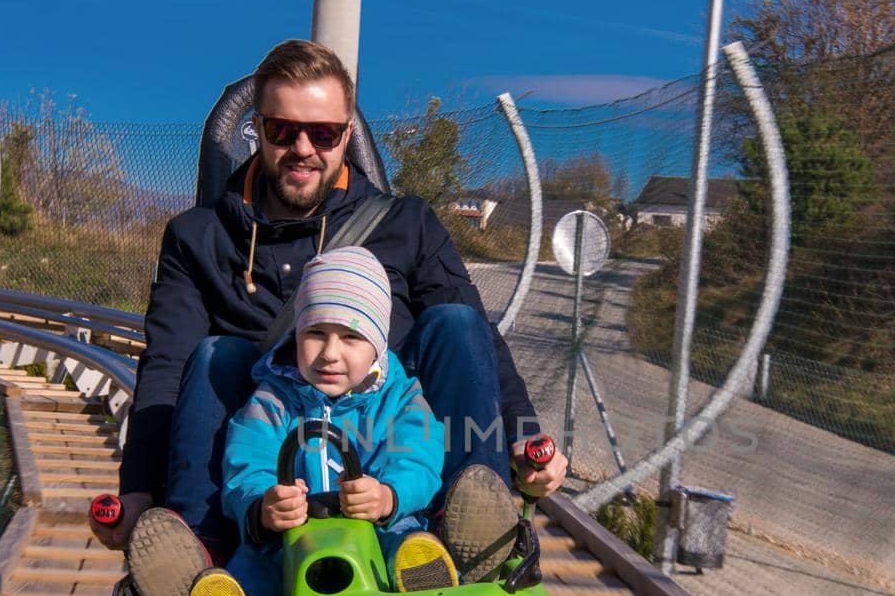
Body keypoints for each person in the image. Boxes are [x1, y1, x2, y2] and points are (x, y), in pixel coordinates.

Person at [93, 38, 567, 565]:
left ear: (346, 136)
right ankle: (200, 558)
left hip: (393, 436)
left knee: (456, 321)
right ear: (258, 129)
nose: (302, 148)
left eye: (323, 133)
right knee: (213, 356)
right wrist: (137, 485)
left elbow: (479, 341)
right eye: (282, 130)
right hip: (268, 449)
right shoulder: (197, 237)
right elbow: (166, 366)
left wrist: (526, 439)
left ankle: (471, 531)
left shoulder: (406, 224)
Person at [126, 247, 494, 596]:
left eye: (351, 337)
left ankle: (421, 581)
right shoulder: (273, 398)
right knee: (256, 563)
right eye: (316, 333)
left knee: (402, 541)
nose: (329, 353)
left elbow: (419, 455)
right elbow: (247, 458)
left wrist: (388, 495)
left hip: (376, 522)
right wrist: (262, 504)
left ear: (378, 346)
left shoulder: (399, 398)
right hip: (291, 534)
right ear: (297, 333)